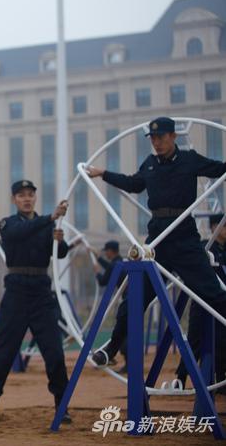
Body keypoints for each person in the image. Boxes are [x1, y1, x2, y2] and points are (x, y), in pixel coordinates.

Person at [86, 116, 226, 367]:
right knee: (134, 298)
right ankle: (112, 347)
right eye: (153, 139)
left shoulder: (190, 160)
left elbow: (219, 169)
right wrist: (103, 173)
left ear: (173, 136)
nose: (157, 143)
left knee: (213, 295)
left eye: (161, 137)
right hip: (157, 243)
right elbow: (132, 183)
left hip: (184, 239)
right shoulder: (150, 165)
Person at [0, 180, 71, 423]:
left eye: (30, 195)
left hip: (41, 293)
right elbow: (19, 233)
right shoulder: (8, 224)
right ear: (14, 200)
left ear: (35, 198)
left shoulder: (47, 225)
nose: (26, 199)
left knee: (55, 353)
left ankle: (62, 406)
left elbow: (59, 253)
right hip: (16, 292)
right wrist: (50, 219)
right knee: (3, 353)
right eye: (21, 195)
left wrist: (60, 241)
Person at [175, 213, 226, 390]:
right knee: (195, 341)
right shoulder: (204, 248)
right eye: (224, 227)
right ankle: (180, 378)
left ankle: (220, 380)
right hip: (202, 300)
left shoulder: (223, 251)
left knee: (221, 342)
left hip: (220, 302)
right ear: (214, 227)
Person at [92, 240, 128, 373]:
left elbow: (103, 281)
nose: (105, 253)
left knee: (123, 331)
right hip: (131, 298)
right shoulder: (121, 261)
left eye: (106, 251)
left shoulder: (115, 265)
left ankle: (113, 355)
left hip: (127, 300)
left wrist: (96, 272)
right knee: (125, 330)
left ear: (110, 251)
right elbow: (109, 267)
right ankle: (113, 355)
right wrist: (99, 258)